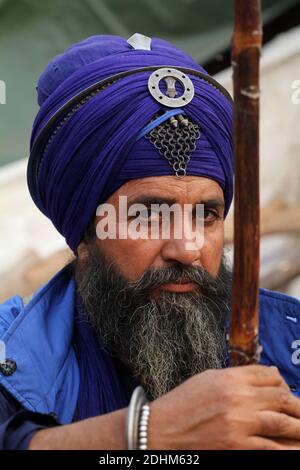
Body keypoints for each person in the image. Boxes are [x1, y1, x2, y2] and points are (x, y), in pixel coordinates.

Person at [0, 34, 299, 450]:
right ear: (85, 231)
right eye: (150, 216)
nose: (188, 248)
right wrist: (144, 435)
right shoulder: (9, 355)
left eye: (206, 215)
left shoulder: (291, 346)